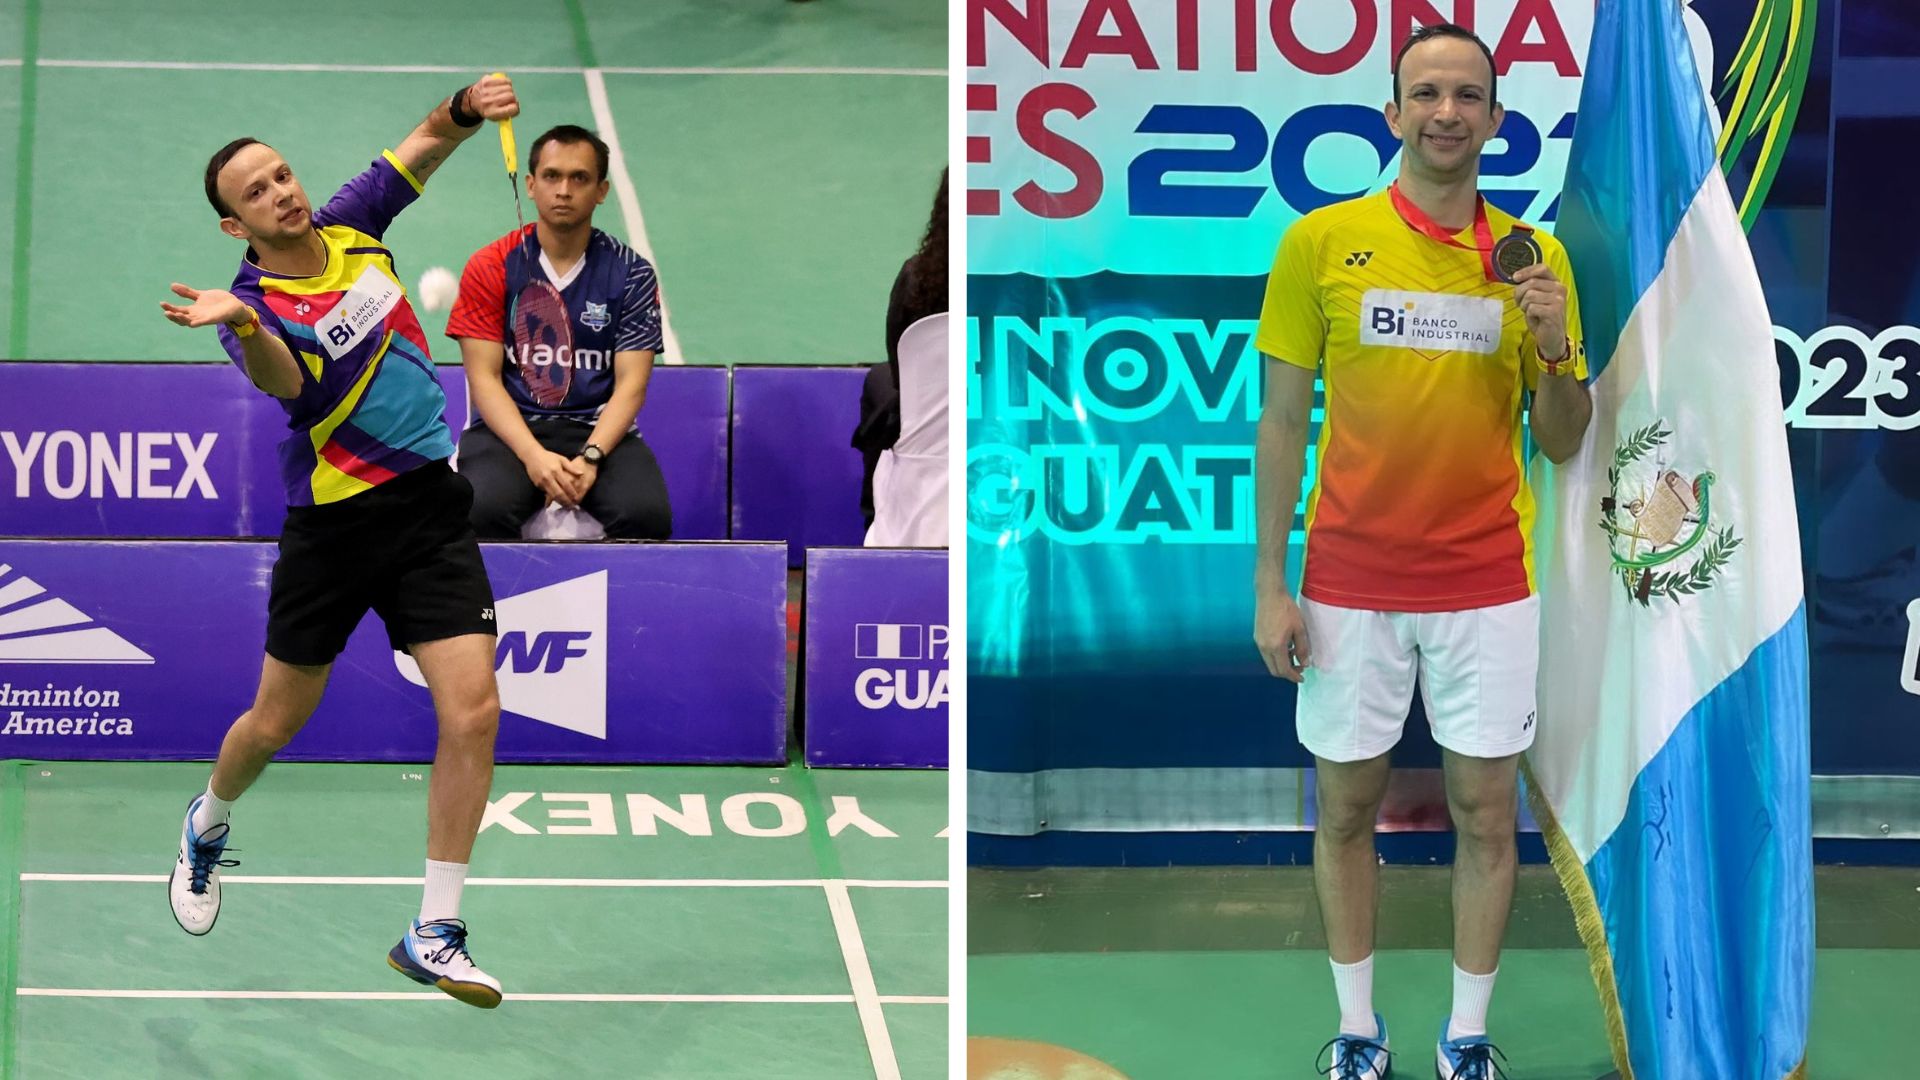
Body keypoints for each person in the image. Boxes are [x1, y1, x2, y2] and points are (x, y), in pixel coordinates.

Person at [1251, 24, 1592, 1080]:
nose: (1448, 112)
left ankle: (1465, 1035)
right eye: (1427, 93)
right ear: (1394, 113)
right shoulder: (1321, 244)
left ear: (1497, 119)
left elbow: (1565, 439)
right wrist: (1269, 584)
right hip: (1347, 584)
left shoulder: (1536, 261)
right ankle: (1358, 1030)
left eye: (1468, 95)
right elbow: (1281, 421)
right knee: (1347, 810)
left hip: (1487, 585)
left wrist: (1554, 346)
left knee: (1485, 813)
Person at [157, 73, 522, 1009]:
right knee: (274, 724)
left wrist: (467, 105)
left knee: (474, 712)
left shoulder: (353, 226)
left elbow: (423, 146)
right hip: (335, 527)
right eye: (257, 193)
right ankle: (208, 821)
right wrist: (244, 321)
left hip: (430, 508)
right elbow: (291, 386)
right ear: (235, 225)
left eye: (281, 175)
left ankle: (434, 932)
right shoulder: (251, 307)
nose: (281, 193)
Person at [446, 124, 671, 540]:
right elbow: (484, 379)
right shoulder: (490, 265)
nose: (564, 190)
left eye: (579, 178)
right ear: (531, 185)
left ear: (601, 191)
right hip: (511, 428)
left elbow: (632, 385)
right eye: (552, 176)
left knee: (646, 515)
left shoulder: (631, 273)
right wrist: (533, 456)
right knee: (480, 510)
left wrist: (591, 456)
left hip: (597, 429)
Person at [853, 167, 947, 526]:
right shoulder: (1028, 284)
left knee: (879, 380)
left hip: (925, 425)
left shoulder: (916, 278)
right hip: (1009, 414)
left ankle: (877, 520)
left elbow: (901, 369)